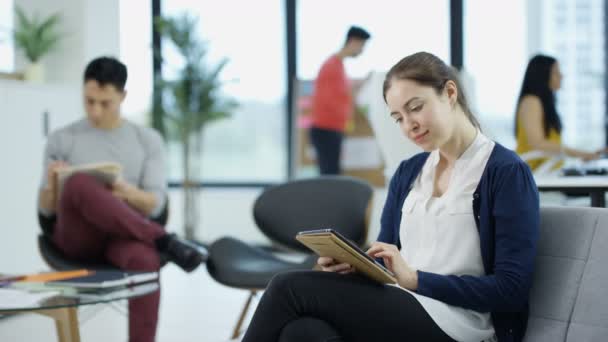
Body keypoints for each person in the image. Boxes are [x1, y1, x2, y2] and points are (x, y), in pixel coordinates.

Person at [242, 52, 540, 342]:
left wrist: (416, 280)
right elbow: (385, 259)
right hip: (404, 304)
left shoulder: (506, 172)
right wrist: (355, 268)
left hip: (463, 323)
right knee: (304, 332)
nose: (408, 126)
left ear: (449, 92)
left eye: (416, 107)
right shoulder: (409, 172)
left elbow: (511, 289)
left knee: (288, 287)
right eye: (398, 117)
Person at [37, 57, 206, 342]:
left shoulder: (146, 139)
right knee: (79, 183)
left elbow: (156, 204)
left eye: (105, 103)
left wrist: (125, 192)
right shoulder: (62, 139)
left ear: (123, 96)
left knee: (146, 259)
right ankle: (165, 239)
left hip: (124, 236)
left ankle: (157, 245)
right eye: (89, 101)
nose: (95, 111)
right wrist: (54, 184)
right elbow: (45, 210)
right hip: (77, 238)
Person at [515, 54, 602, 171]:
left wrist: (585, 154)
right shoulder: (531, 101)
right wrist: (581, 153)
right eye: (556, 72)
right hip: (533, 174)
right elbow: (537, 143)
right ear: (542, 76)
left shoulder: (543, 103)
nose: (561, 76)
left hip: (548, 173)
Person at [309, 26, 371, 175]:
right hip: (326, 130)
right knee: (330, 178)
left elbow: (341, 96)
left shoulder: (339, 66)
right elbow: (330, 101)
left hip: (333, 129)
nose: (362, 51)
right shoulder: (332, 66)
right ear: (353, 41)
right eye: (362, 46)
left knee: (332, 176)